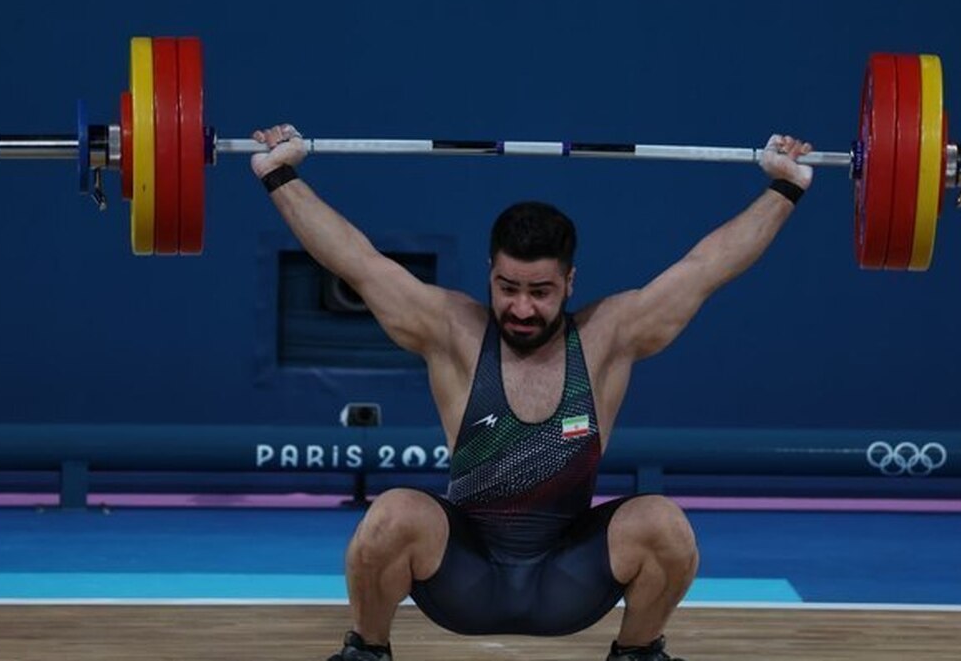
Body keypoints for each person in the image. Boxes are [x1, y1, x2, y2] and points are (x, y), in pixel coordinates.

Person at [250, 125, 813, 661]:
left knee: (664, 524)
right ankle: (367, 650)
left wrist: (785, 187)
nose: (522, 308)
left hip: (568, 580)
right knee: (393, 514)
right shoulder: (452, 332)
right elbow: (357, 261)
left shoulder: (607, 338)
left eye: (541, 291)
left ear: (570, 282)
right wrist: (281, 177)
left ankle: (638, 651)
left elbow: (706, 267)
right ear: (489, 273)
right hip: (464, 577)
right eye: (508, 288)